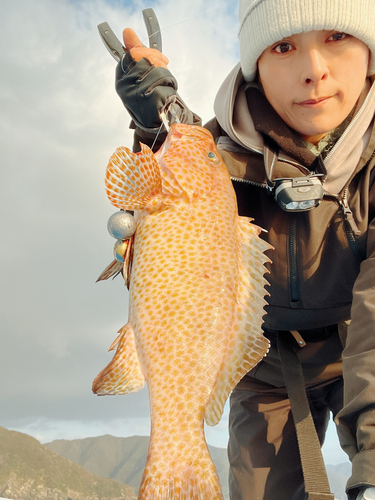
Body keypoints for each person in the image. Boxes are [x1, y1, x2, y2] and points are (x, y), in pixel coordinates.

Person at [113, 0, 375, 498]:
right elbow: (191, 164)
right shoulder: (214, 160)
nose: (314, 71)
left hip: (358, 346)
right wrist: (153, 125)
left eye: (337, 37)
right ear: (255, 69)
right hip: (261, 360)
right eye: (283, 46)